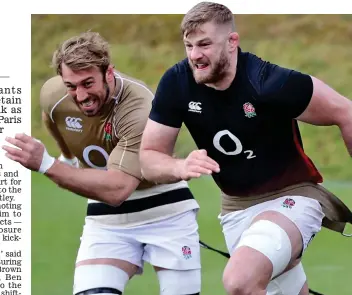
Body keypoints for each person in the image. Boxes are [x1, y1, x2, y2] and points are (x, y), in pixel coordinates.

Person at [139, 2, 352, 295]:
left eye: (204, 44)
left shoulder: (268, 82)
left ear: (232, 42)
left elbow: (346, 112)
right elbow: (149, 157)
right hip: (236, 208)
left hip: (293, 197)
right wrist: (178, 166)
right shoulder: (177, 83)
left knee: (241, 281)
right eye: (188, 45)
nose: (195, 55)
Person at [3, 32, 202, 295]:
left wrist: (47, 164)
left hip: (165, 210)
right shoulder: (55, 94)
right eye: (71, 86)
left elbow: (118, 189)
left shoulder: (140, 108)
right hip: (107, 218)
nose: (81, 95)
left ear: (109, 73)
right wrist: (68, 157)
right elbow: (52, 117)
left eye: (88, 83)